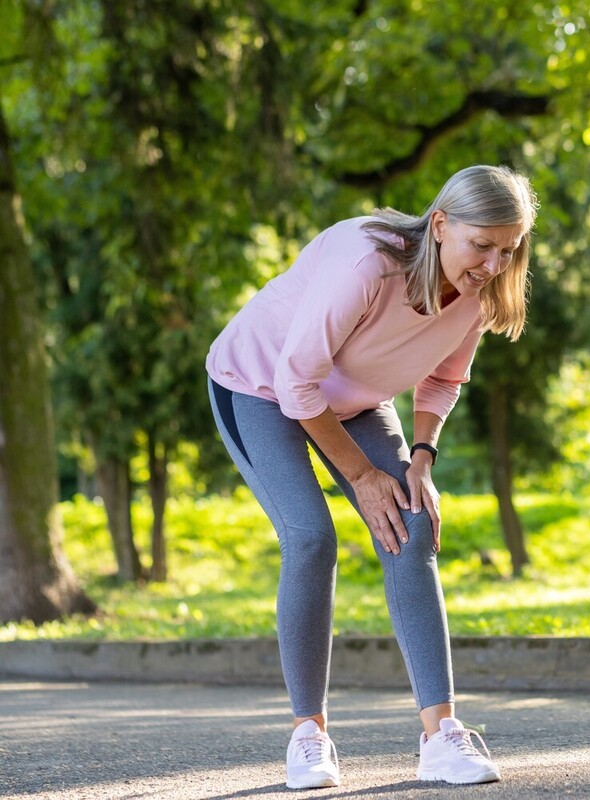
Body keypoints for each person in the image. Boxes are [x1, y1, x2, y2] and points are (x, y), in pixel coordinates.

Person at [205, 164, 537, 790]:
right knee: (310, 538)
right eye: (482, 246)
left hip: (352, 400)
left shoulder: (483, 291)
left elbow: (442, 380)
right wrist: (361, 475)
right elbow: (295, 382)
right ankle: (309, 735)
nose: (494, 263)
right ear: (440, 224)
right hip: (258, 383)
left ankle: (441, 736)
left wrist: (420, 458)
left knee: (413, 524)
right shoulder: (368, 264)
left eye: (508, 249)